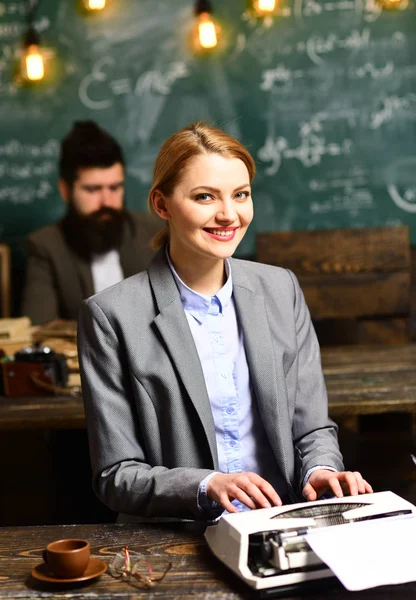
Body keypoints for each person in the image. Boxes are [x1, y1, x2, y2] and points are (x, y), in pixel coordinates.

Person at [78, 122, 372, 523]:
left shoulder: (281, 288)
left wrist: (320, 471)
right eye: (204, 197)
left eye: (241, 195)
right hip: (177, 541)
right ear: (162, 206)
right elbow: (116, 475)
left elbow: (312, 429)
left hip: (281, 524)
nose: (228, 215)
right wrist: (206, 485)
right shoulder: (111, 315)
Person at [22, 121, 161, 325]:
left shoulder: (155, 232)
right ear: (65, 190)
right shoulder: (45, 246)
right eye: (93, 189)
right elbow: (39, 328)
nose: (107, 202)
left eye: (115, 188)